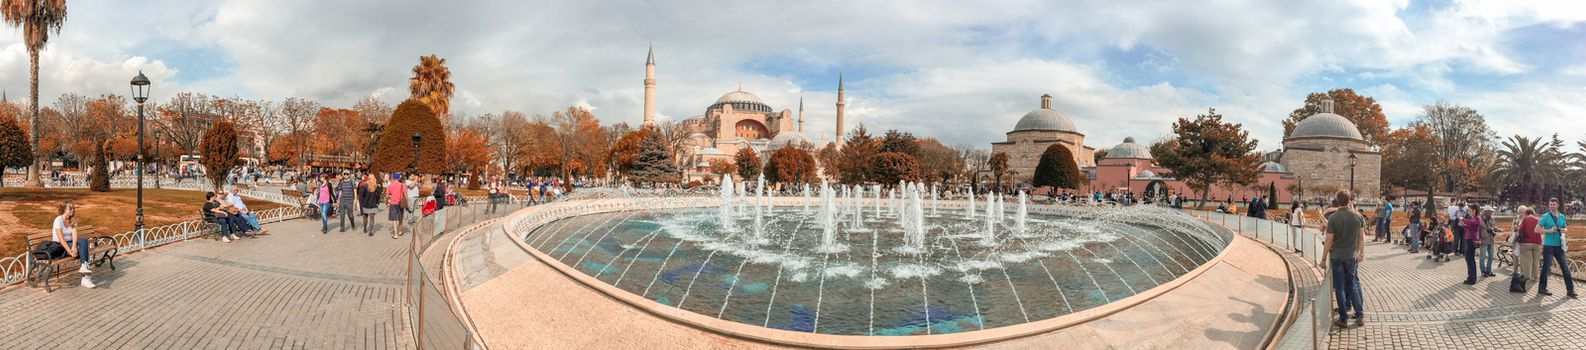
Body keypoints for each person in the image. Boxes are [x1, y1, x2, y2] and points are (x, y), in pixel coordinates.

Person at [1322, 191, 1365, 328]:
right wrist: (1360, 253)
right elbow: (1362, 238)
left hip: (1337, 257)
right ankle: (1359, 315)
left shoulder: (1334, 218)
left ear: (1337, 200)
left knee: (1339, 287)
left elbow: (1329, 240)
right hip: (1351, 256)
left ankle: (1343, 318)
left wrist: (1323, 258)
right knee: (1352, 284)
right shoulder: (1358, 217)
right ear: (1349, 200)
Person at [1538, 198, 1578, 298]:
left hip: (1559, 246)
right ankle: (1542, 288)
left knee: (1565, 268)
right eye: (1550, 204)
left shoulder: (1561, 216)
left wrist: (1564, 229)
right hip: (1549, 246)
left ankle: (1570, 290)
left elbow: (1565, 227)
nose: (1552, 206)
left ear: (1558, 205)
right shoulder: (1545, 216)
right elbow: (1536, 229)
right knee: (1546, 267)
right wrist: (1549, 230)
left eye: (1554, 204)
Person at [51, 200, 96, 288]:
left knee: (83, 241)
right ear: (64, 209)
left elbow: (75, 235)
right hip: (60, 246)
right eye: (70, 208)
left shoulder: (72, 220)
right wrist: (71, 251)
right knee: (83, 249)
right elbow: (61, 239)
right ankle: (85, 279)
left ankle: (84, 267)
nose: (72, 210)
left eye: (73, 208)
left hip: (70, 244)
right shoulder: (58, 220)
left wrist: (74, 247)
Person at [1515, 206, 1543, 290]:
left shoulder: (1525, 219)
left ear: (1526, 213)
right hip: (1537, 243)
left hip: (1526, 243)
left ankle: (1528, 277)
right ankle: (1535, 277)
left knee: (1527, 261)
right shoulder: (1538, 220)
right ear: (1533, 213)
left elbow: (1520, 231)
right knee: (1536, 261)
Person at [1460, 203, 1482, 285]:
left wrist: (1463, 220)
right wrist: (1464, 225)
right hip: (1469, 239)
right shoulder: (1473, 218)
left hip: (1471, 240)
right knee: (1470, 259)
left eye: (1469, 210)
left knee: (1470, 260)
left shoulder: (1476, 218)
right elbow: (1470, 226)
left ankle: (1471, 278)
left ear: (1474, 210)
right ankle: (1471, 277)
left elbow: (1473, 224)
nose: (1468, 212)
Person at [387, 174, 407, 239]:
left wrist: (388, 199)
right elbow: (405, 194)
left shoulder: (390, 185)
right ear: (399, 178)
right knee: (400, 217)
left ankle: (395, 234)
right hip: (400, 203)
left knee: (394, 218)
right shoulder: (402, 185)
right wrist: (407, 202)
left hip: (393, 203)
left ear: (393, 178)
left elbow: (387, 196)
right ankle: (400, 231)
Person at [1479, 208, 1496, 277]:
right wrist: (1479, 239)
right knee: (1482, 257)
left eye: (1491, 212)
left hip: (1491, 240)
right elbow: (1478, 230)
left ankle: (1489, 271)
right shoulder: (1480, 219)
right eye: (1490, 211)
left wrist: (1497, 229)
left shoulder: (1492, 219)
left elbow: (1493, 227)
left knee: (1491, 256)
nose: (1491, 213)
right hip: (1483, 240)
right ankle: (1483, 271)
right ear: (1485, 212)